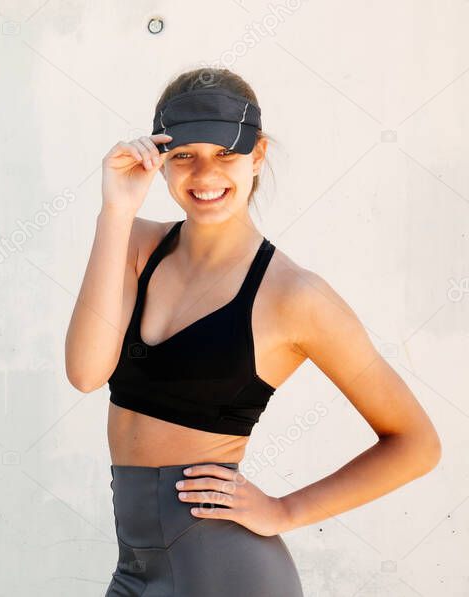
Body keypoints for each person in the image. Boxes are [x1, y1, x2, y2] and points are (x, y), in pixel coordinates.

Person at [63, 67, 442, 597]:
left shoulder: (295, 297)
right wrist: (115, 210)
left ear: (258, 155)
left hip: (224, 571)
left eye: (226, 154)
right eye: (183, 155)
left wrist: (286, 510)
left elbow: (416, 444)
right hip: (133, 568)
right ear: (160, 161)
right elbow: (85, 372)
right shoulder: (134, 245)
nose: (204, 174)